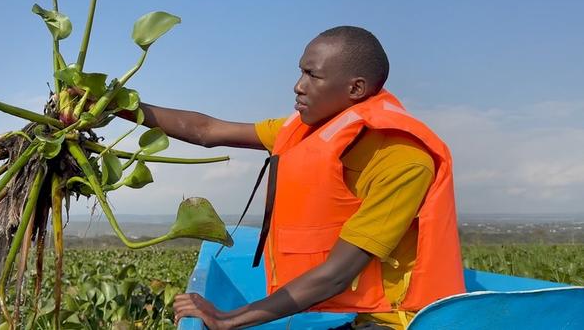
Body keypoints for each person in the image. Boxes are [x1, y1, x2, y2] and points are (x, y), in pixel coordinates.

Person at [118, 26, 465, 329]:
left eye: (312, 76)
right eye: (300, 72)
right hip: (345, 314)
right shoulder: (307, 129)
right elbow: (207, 130)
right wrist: (115, 105)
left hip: (392, 321)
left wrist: (229, 319)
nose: (297, 86)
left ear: (356, 88)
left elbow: (337, 274)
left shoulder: (403, 160)